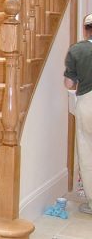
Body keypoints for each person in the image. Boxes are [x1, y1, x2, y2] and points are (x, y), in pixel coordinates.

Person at [64, 13, 92, 215]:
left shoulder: (77, 50)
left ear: (85, 29)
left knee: (87, 152)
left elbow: (69, 83)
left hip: (87, 103)